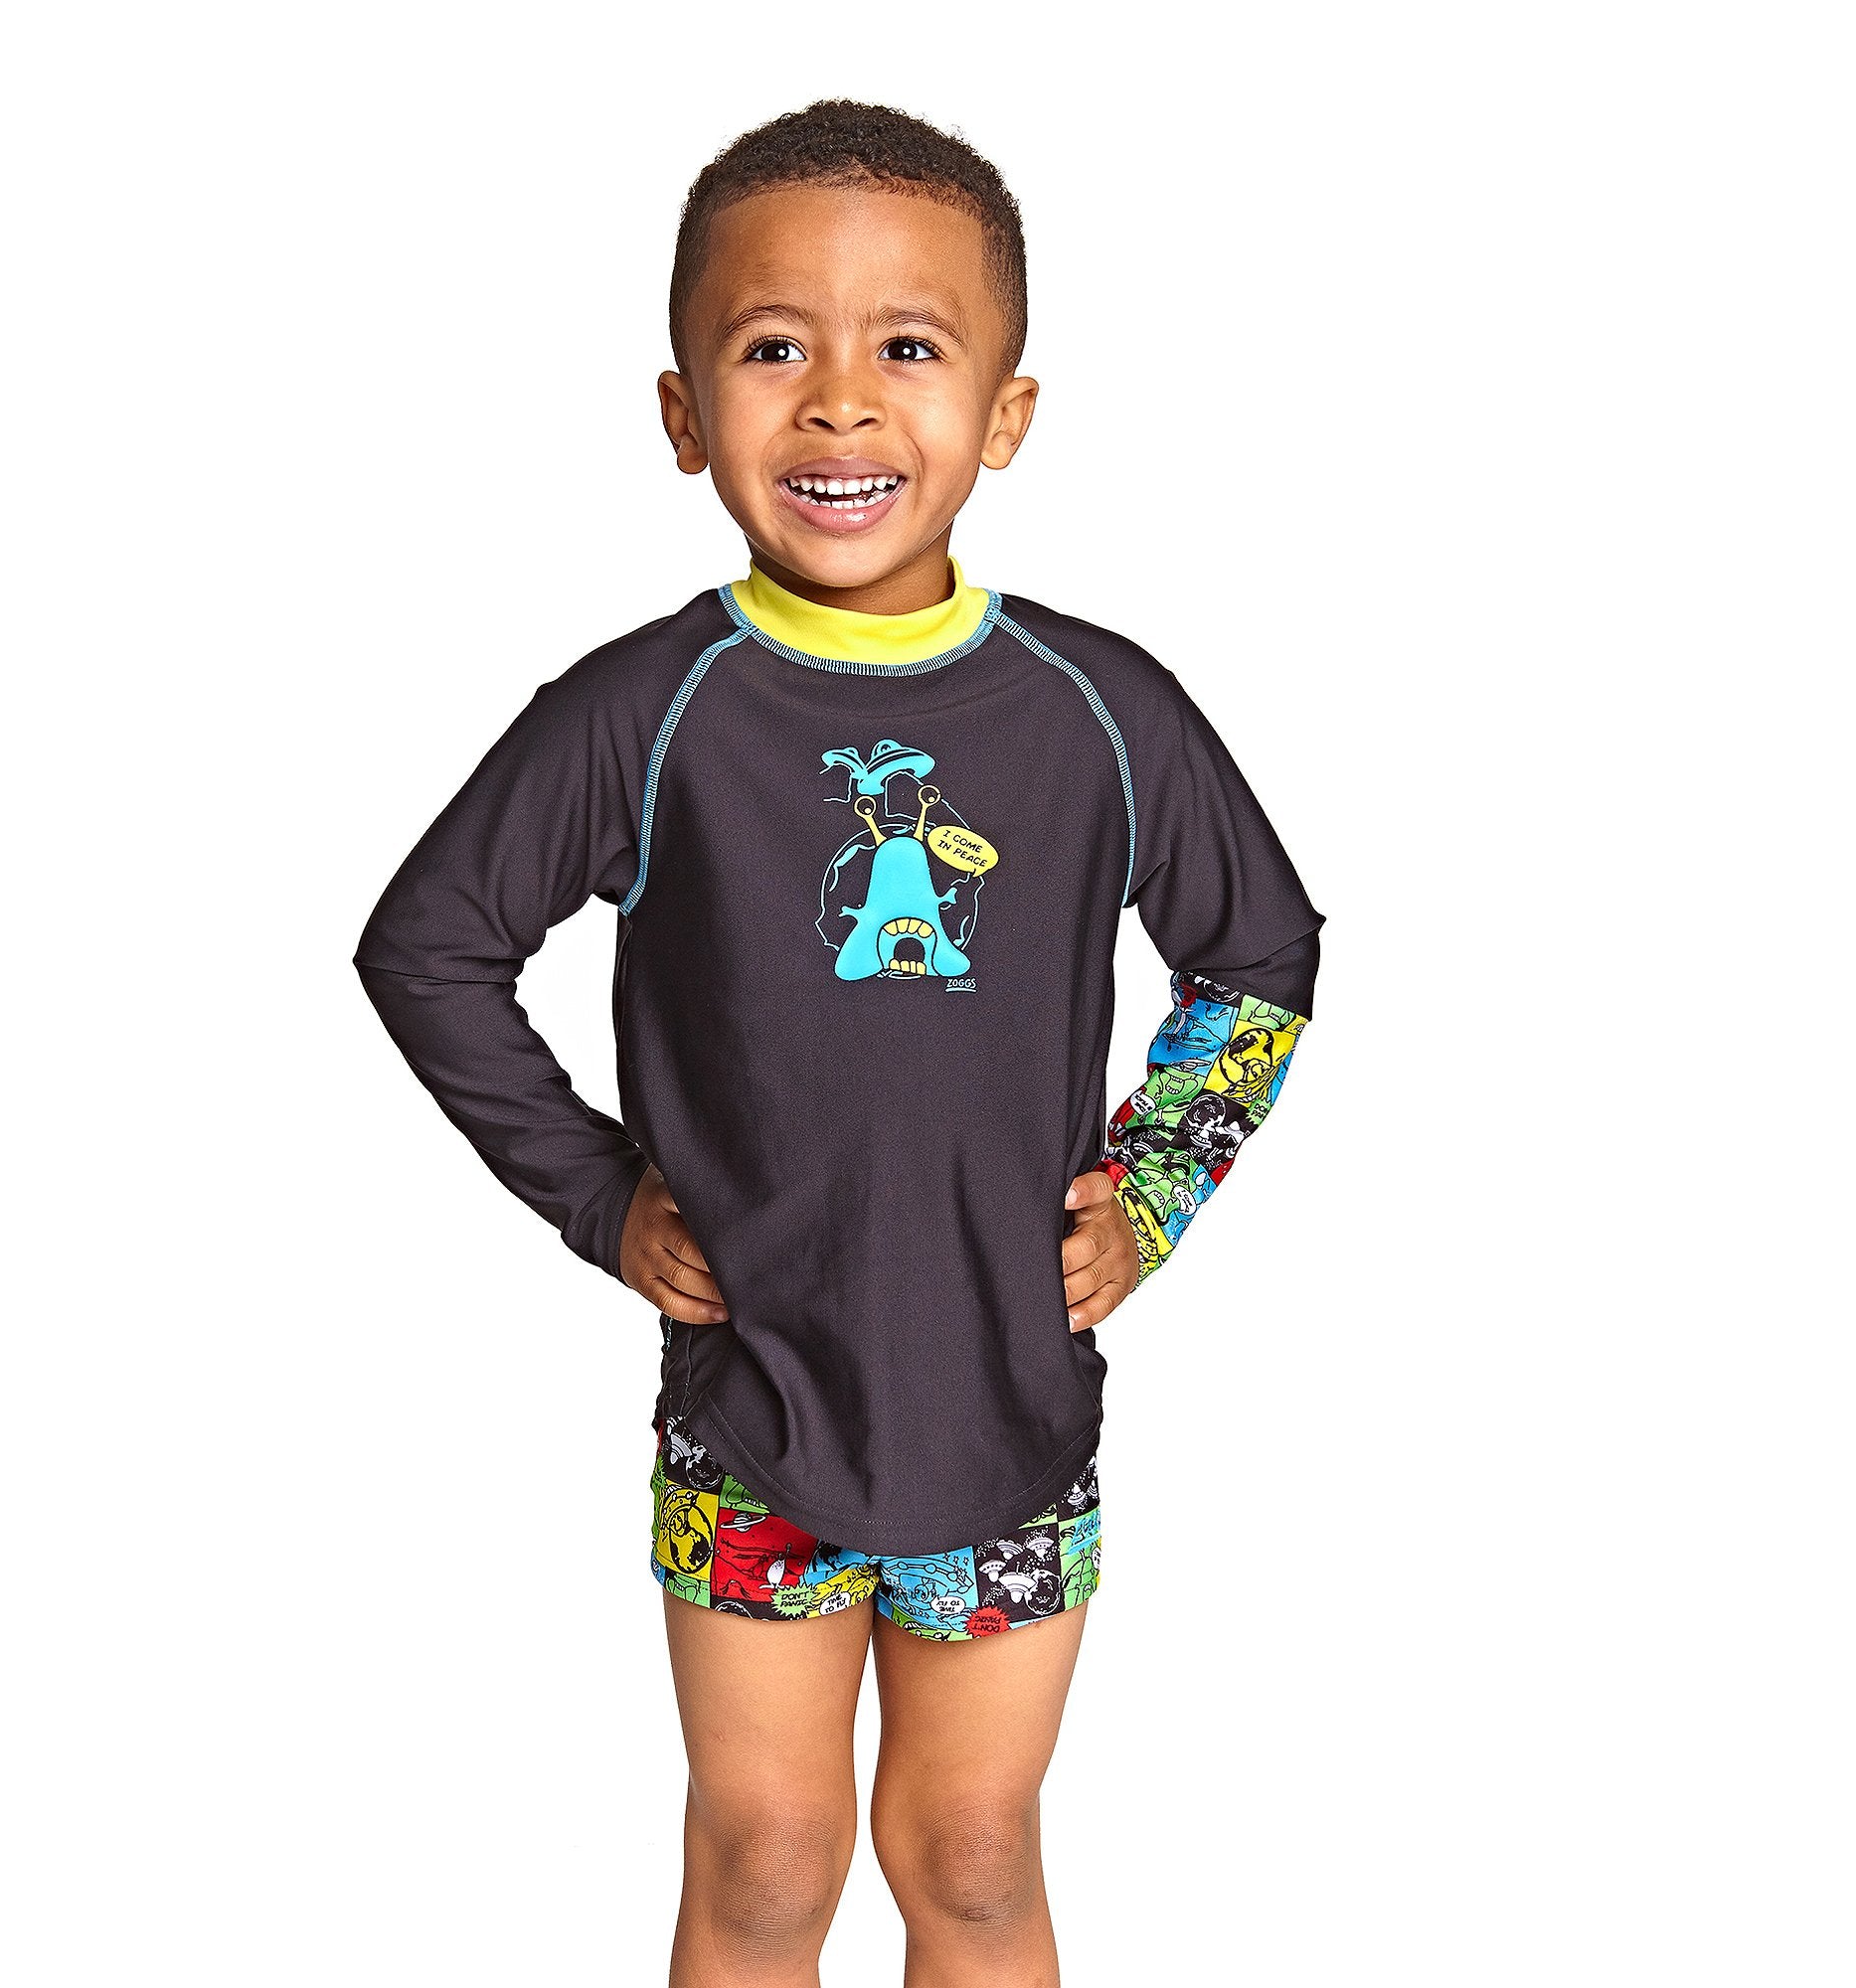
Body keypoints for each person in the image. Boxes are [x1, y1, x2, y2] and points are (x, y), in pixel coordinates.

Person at [356, 98, 1323, 1988]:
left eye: (910, 348)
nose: (842, 404)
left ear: (1007, 414)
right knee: (768, 1863)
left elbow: (1260, 958)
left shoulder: (1100, 709)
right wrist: (599, 1201)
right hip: (754, 1420)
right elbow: (430, 949)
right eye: (773, 347)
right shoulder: (645, 709)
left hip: (1011, 1416)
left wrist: (1153, 1192)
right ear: (683, 411)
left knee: (972, 1858)